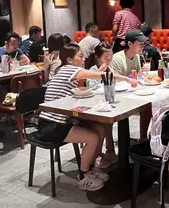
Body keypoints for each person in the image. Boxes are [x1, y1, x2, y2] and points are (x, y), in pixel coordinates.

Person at [38, 43, 114, 191]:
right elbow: (100, 76)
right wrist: (128, 79)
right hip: (51, 125)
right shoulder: (69, 70)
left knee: (101, 128)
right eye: (80, 56)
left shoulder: (66, 71)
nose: (84, 58)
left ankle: (90, 168)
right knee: (93, 137)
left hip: (63, 120)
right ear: (69, 60)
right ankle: (83, 175)